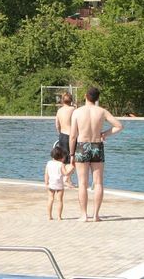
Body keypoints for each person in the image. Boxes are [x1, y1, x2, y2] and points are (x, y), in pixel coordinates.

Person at [69, 86, 124, 222]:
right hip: (97, 145)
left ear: (85, 96)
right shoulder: (102, 111)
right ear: (97, 98)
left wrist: (71, 154)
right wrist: (104, 134)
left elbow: (72, 136)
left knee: (82, 183)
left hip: (82, 146)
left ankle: (83, 215)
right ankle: (96, 215)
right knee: (98, 183)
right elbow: (119, 126)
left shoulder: (77, 112)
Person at [54, 91, 76, 188]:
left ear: (62, 100)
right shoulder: (73, 109)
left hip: (62, 136)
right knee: (73, 159)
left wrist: (60, 133)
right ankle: (66, 178)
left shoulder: (59, 111)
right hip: (71, 136)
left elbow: (57, 125)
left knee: (64, 159)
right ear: (71, 100)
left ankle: (68, 180)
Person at [44, 144, 66, 220]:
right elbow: (65, 173)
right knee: (59, 200)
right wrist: (71, 169)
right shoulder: (61, 164)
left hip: (51, 184)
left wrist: (46, 182)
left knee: (50, 199)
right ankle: (59, 217)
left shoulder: (49, 163)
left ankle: (49, 216)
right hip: (59, 184)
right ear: (61, 157)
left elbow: (46, 174)